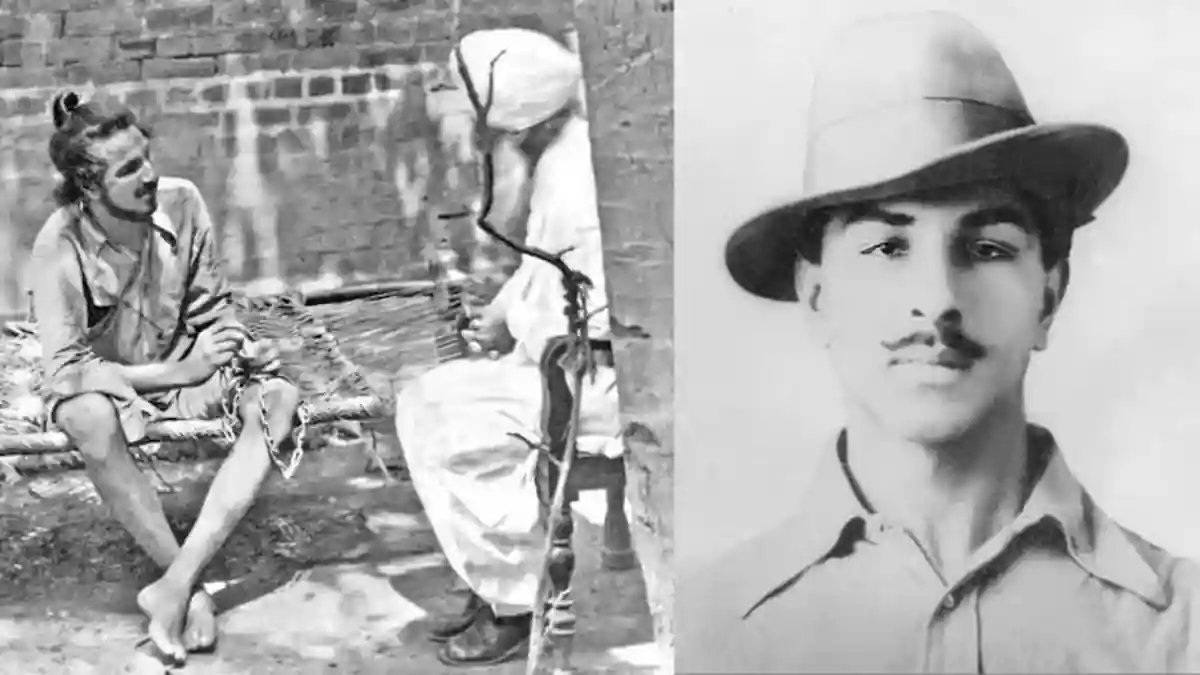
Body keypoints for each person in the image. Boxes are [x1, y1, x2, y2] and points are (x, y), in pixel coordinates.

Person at [677, 12, 1200, 673]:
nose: (939, 299)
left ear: (1049, 294)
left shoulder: (1182, 629)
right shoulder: (704, 630)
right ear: (817, 296)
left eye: (987, 247)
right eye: (886, 246)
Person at [29, 91, 300, 667]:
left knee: (280, 400)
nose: (149, 175)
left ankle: (176, 584)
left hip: (186, 371)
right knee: (85, 413)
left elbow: (210, 310)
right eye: (128, 170)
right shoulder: (59, 244)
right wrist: (180, 370)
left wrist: (238, 346)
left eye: (145, 157)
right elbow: (65, 368)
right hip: (118, 388)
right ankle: (191, 591)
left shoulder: (182, 203)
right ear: (87, 185)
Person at [393, 27, 623, 667]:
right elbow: (544, 272)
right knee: (421, 400)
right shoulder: (560, 157)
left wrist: (515, 327)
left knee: (456, 433)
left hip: (591, 381)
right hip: (561, 363)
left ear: (512, 115)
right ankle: (488, 579)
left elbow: (584, 316)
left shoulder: (577, 182)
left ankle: (517, 603)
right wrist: (503, 314)